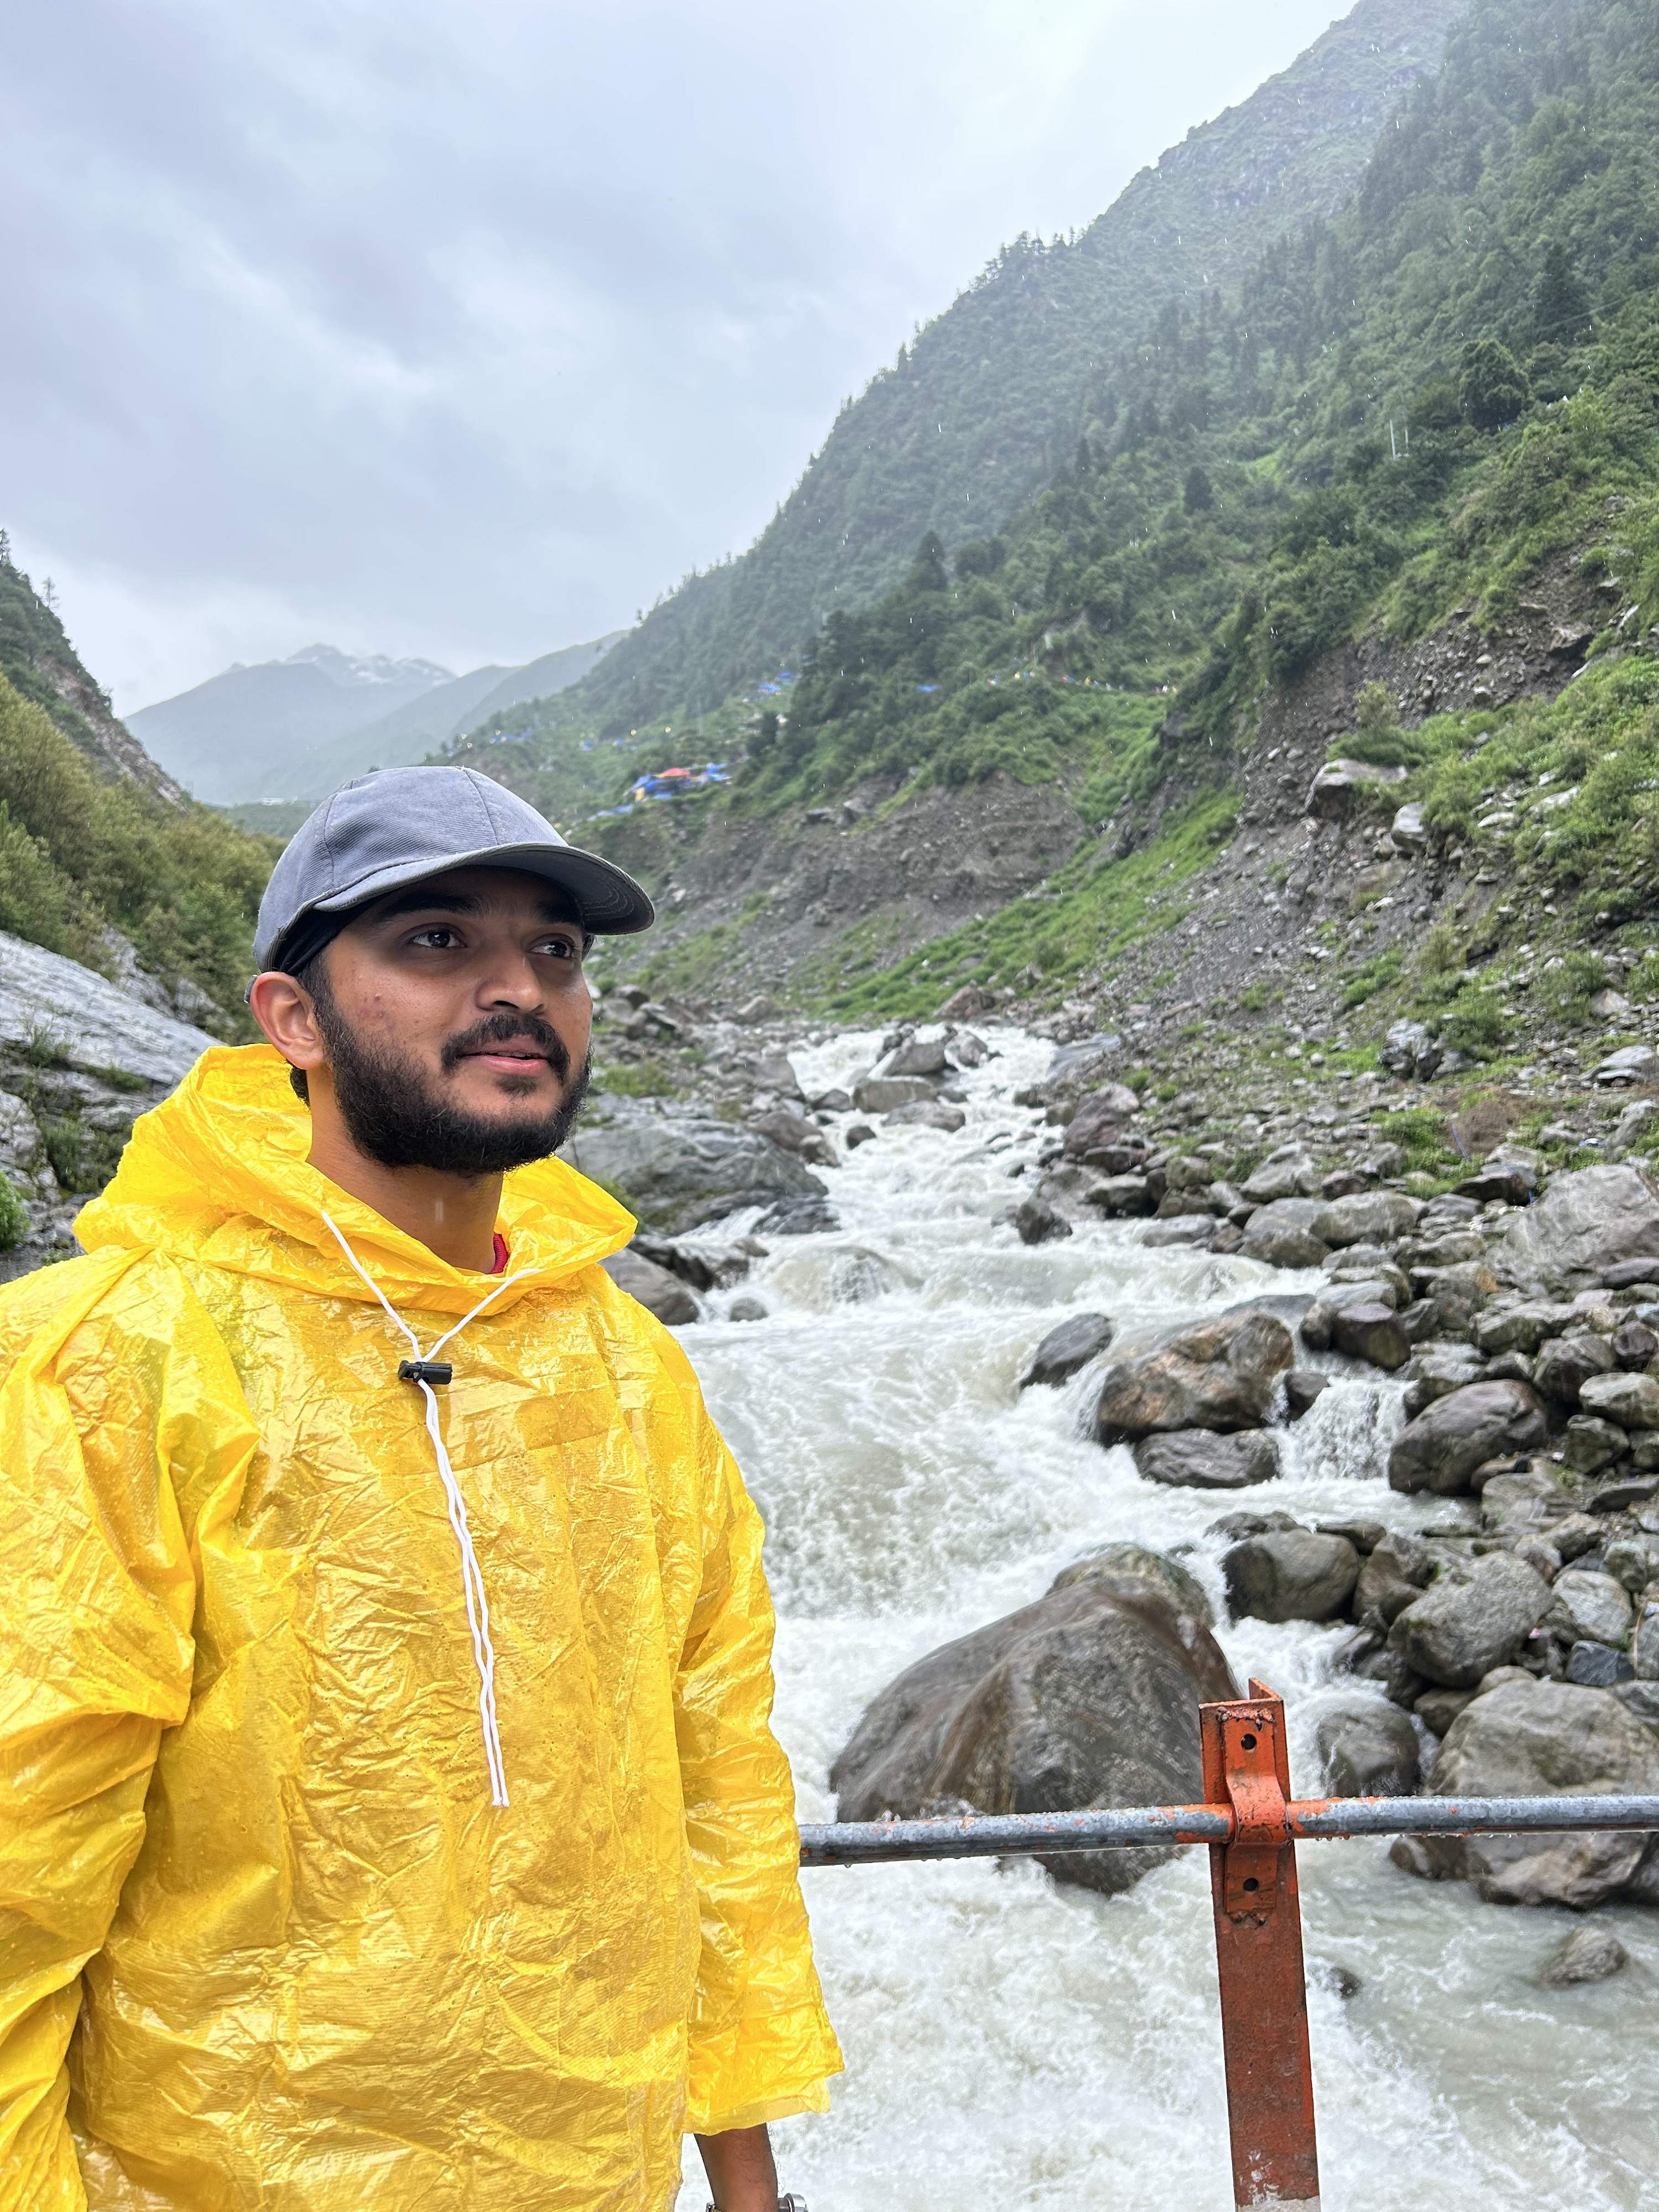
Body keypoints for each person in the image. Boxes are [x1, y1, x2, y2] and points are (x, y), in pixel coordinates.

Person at [0, 766, 839, 2209]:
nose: (519, 990)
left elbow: (718, 1791)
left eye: (556, 951)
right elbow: (21, 1868)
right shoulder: (107, 1359)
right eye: (437, 941)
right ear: (294, 1018)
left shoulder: (628, 1367)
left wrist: (748, 2188)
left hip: (602, 2175)